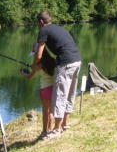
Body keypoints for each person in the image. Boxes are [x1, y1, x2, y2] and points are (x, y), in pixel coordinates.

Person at [34, 11, 81, 139]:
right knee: (70, 94)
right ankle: (65, 124)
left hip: (65, 64)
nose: (38, 25)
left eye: (38, 23)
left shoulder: (44, 30)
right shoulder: (60, 29)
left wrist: (34, 66)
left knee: (60, 95)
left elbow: (39, 55)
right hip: (77, 61)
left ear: (41, 22)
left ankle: (56, 129)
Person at [25, 44, 55, 137]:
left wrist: (23, 73)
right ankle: (50, 129)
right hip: (54, 88)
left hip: (45, 89)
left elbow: (30, 75)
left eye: (34, 53)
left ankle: (44, 131)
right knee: (51, 111)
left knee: (45, 111)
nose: (34, 56)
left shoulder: (38, 65)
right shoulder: (52, 60)